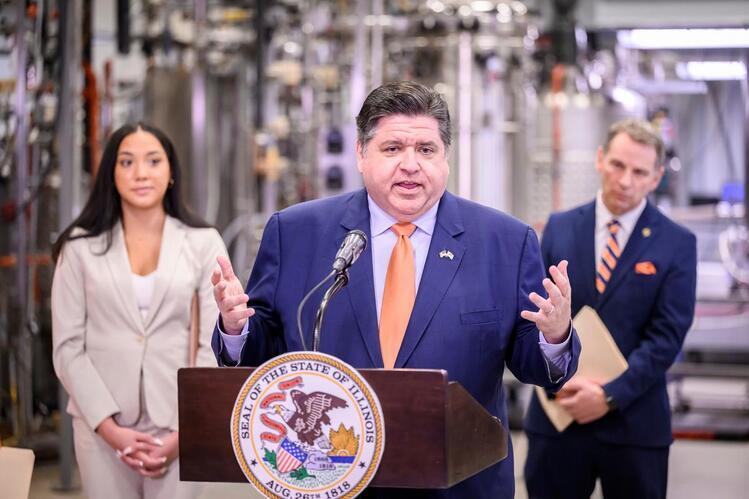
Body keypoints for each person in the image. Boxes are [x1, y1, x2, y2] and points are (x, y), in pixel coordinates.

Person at [211, 80, 581, 498]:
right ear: (361, 154)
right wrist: (236, 328)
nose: (410, 165)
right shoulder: (296, 233)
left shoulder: (504, 241)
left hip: (459, 482)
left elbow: (534, 365)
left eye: (426, 149)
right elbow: (265, 352)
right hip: (331, 479)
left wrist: (554, 336)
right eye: (392, 148)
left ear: (445, 158)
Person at [51, 123, 228, 499]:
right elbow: (68, 348)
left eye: (153, 161)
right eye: (127, 162)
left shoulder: (203, 242)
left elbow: (212, 342)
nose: (141, 173)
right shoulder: (79, 248)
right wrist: (109, 429)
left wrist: (186, 430)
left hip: (181, 422)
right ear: (111, 174)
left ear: (171, 172)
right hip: (101, 424)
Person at [523, 119, 697, 499]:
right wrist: (562, 390)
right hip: (559, 419)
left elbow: (666, 337)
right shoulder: (560, 227)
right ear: (600, 159)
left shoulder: (676, 243)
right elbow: (534, 313)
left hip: (634, 425)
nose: (625, 181)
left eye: (639, 172)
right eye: (618, 165)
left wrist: (610, 395)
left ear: (656, 178)